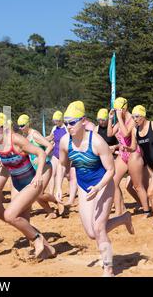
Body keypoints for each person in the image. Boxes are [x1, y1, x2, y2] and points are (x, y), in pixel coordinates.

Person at [56, 102, 134, 277]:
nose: (68, 126)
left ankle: (108, 269)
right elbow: (62, 166)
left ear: (83, 121)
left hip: (103, 184)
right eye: (66, 122)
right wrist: (58, 186)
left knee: (99, 228)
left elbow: (111, 170)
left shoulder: (97, 141)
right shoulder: (64, 141)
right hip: (85, 187)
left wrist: (98, 187)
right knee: (92, 233)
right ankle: (124, 218)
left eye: (72, 122)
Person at [0, 113, 56, 260]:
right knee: (22, 221)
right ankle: (48, 249)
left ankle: (37, 239)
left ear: (4, 128)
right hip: (17, 183)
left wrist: (38, 175)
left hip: (32, 182)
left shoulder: (16, 139)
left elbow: (41, 153)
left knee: (9, 215)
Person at [107, 98, 150, 216]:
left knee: (137, 186)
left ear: (124, 109)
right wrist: (110, 119)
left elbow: (126, 133)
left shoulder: (131, 119)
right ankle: (120, 210)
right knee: (113, 181)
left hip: (133, 154)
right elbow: (109, 134)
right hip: (123, 154)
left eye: (118, 110)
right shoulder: (120, 120)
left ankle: (147, 210)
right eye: (115, 110)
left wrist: (119, 118)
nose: (116, 112)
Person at [17, 114, 64, 218]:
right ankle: (50, 213)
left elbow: (50, 146)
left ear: (28, 124)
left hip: (45, 166)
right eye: (19, 126)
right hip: (35, 169)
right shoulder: (25, 136)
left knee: (39, 193)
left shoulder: (34, 134)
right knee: (36, 194)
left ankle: (57, 201)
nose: (21, 128)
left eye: (23, 125)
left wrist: (41, 157)